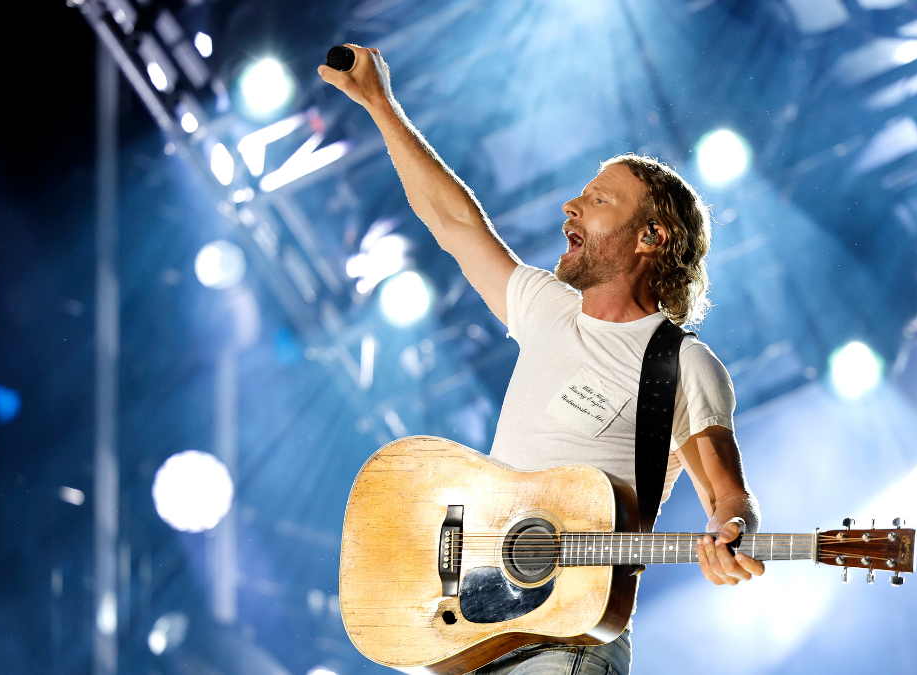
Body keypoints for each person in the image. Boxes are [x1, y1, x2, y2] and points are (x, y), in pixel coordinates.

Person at [319, 46, 763, 675]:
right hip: (474, 633)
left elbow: (728, 498)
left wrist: (732, 533)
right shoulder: (548, 308)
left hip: (566, 644)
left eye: (598, 200)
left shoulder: (682, 364)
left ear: (650, 237)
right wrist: (379, 103)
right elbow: (453, 222)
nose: (570, 207)